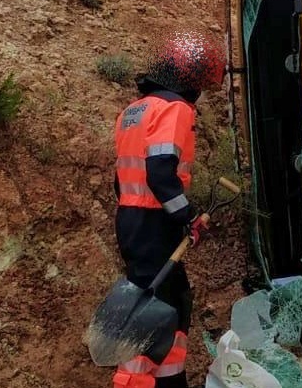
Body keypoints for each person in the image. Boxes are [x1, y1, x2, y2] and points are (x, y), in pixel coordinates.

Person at [111, 31, 226, 388]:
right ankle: (133, 382)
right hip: (154, 222)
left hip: (132, 221)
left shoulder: (134, 111)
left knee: (171, 303)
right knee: (153, 311)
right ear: (189, 78)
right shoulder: (175, 110)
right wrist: (187, 216)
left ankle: (171, 381)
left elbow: (123, 179)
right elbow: (160, 174)